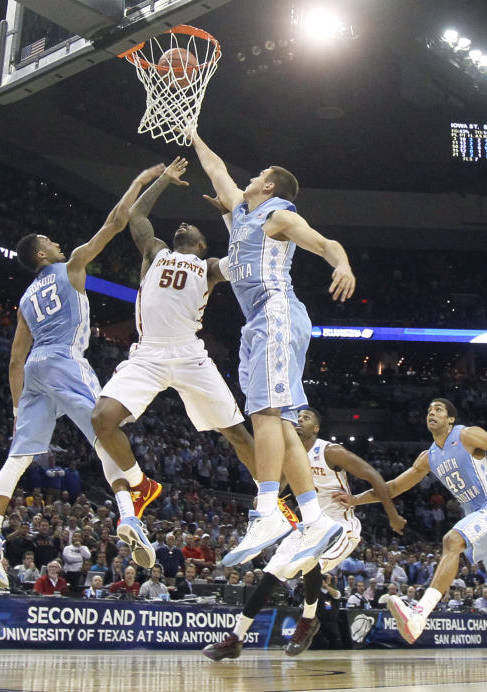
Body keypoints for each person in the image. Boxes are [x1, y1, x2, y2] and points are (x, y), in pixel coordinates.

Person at [0, 166, 164, 588]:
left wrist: (20, 407)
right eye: (50, 242)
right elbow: (115, 222)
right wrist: (140, 181)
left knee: (18, 458)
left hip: (36, 367)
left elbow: (14, 361)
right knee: (103, 432)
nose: (57, 244)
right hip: (64, 359)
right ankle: (130, 516)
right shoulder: (71, 266)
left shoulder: (24, 299)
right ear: (42, 255)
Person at [190, 128, 355, 571]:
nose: (251, 177)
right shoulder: (243, 215)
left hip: (277, 313)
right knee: (280, 421)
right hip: (260, 323)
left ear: (269, 186)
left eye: (260, 174)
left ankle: (266, 513)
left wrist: (341, 263)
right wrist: (193, 132)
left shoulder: (278, 216)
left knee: (263, 415)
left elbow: (322, 242)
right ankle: (314, 519)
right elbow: (216, 169)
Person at [337, 398, 487, 662]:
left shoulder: (467, 435)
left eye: (439, 410)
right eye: (429, 410)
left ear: (451, 419)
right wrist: (355, 499)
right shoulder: (428, 457)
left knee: (452, 540)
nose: (432, 413)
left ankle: (419, 615)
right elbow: (394, 487)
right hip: (482, 519)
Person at [91, 157, 260, 533]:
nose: (182, 223)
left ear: (200, 243)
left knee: (236, 432)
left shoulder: (210, 267)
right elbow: (136, 214)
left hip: (189, 354)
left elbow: (247, 258)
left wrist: (234, 215)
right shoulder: (156, 251)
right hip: (147, 353)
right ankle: (141, 484)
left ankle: (272, 500)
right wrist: (164, 179)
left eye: (191, 226)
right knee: (102, 419)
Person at [203, 407, 404, 660]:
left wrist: (392, 515)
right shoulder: (290, 455)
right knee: (270, 575)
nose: (299, 420)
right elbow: (281, 485)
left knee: (313, 559)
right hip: (307, 526)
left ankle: (308, 620)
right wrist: (265, 497)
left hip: (341, 528)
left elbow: (373, 475)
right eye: (297, 417)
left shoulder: (331, 451)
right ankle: (236, 637)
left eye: (306, 418)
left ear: (316, 428)